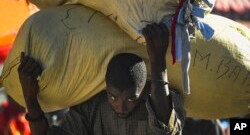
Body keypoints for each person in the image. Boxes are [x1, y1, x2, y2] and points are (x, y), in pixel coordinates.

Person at [17, 23, 185, 135]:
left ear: (143, 92)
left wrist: (157, 63)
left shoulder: (158, 102)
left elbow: (165, 128)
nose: (121, 106)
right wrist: (30, 99)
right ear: (105, 87)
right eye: (113, 97)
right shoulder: (92, 107)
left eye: (131, 98)